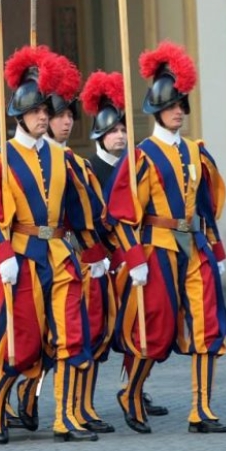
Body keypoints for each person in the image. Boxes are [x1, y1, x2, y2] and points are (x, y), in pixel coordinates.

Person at [0, 46, 107, 443]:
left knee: (70, 336)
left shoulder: (62, 157)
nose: (43, 117)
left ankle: (64, 418)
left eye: (46, 110)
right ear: (19, 115)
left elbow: (78, 211)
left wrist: (94, 254)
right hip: (22, 256)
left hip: (60, 255)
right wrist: (3, 255)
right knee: (22, 341)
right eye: (35, 111)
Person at [106, 41, 226, 434]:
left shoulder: (196, 153)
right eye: (173, 105)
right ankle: (132, 392)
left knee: (207, 326)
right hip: (156, 247)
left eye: (182, 105)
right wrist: (135, 259)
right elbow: (121, 214)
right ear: (158, 109)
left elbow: (205, 208)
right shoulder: (142, 156)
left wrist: (217, 250)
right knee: (155, 328)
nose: (180, 111)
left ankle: (201, 409)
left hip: (194, 247)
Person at [84, 72, 168, 419]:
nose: (119, 135)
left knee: (142, 323)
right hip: (100, 259)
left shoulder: (136, 166)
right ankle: (83, 402)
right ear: (99, 135)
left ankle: (135, 388)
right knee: (96, 332)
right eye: (112, 131)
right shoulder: (89, 168)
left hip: (132, 255)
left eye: (122, 129)